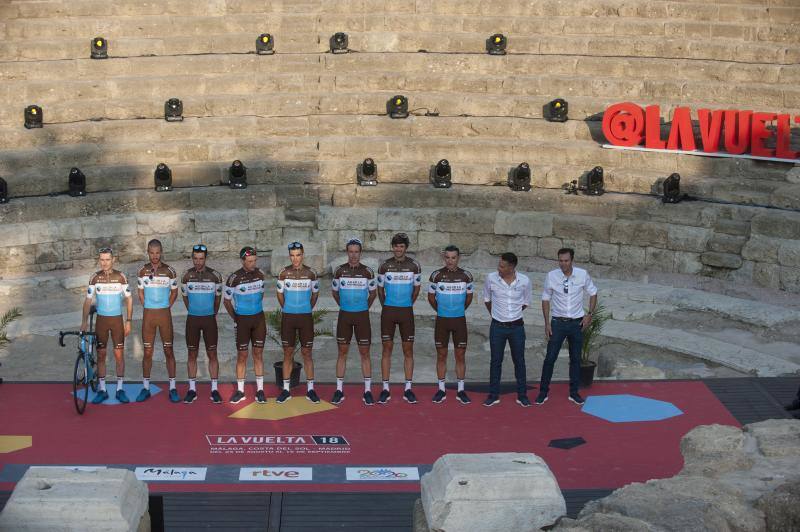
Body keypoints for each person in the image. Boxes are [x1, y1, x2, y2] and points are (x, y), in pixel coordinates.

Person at [537, 247, 598, 406]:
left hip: (576, 323)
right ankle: (543, 392)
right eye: (560, 261)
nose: (563, 264)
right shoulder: (551, 276)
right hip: (558, 323)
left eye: (566, 261)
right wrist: (547, 323)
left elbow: (593, 293)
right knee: (550, 358)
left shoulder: (582, 274)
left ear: (572, 260)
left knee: (576, 359)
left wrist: (589, 314)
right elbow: (545, 298)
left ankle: (574, 392)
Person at [83, 247, 133, 404]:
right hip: (102, 322)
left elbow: (129, 299)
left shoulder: (121, 277)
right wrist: (84, 321)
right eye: (102, 260)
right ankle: (102, 389)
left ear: (113, 260)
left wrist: (129, 321)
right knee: (101, 355)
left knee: (119, 355)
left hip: (117, 320)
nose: (104, 263)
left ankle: (120, 389)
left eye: (107, 259)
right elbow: (88, 300)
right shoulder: (94, 278)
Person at [482, 252, 533, 407]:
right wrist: (497, 314)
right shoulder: (491, 278)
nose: (499, 268)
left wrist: (513, 315)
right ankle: (493, 395)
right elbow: (487, 299)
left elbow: (526, 302)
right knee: (496, 361)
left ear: (512, 267)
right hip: (497, 327)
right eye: (499, 264)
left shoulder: (525, 281)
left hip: (517, 327)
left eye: (502, 266)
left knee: (519, 361)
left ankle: (522, 395)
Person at [331, 238, 377, 405]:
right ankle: (339, 390)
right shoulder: (339, 271)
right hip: (345, 316)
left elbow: (373, 294)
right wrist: (345, 306)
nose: (354, 255)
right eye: (351, 251)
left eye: (356, 252)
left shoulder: (368, 272)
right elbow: (335, 293)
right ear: (347, 252)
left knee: (365, 353)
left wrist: (363, 307)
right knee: (342, 353)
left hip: (362, 317)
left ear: (360, 253)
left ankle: (367, 391)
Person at [377, 233, 422, 404]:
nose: (398, 249)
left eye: (401, 246)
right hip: (388, 311)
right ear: (392, 247)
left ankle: (408, 389)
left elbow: (416, 289)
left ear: (406, 248)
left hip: (406, 312)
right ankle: (385, 389)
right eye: (395, 246)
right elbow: (380, 290)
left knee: (408, 350)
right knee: (386, 349)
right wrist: (386, 306)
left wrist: (407, 304)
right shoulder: (384, 266)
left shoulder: (414, 266)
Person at [427, 245, 474, 404]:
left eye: (453, 258)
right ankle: (441, 389)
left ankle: (461, 390)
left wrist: (458, 310)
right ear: (444, 258)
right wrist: (441, 311)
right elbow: (431, 298)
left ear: (458, 258)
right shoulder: (436, 276)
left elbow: (469, 298)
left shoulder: (466, 276)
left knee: (460, 355)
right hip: (442, 320)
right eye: (447, 257)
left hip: (459, 320)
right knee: (441, 355)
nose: (450, 261)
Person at [275, 242, 321, 404]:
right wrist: (287, 308)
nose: (295, 258)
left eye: (298, 255)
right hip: (288, 317)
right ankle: (286, 390)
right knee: (287, 354)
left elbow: (315, 295)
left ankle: (311, 390)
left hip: (305, 318)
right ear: (289, 256)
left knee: (307, 354)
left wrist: (306, 308)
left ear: (303, 255)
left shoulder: (311, 273)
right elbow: (280, 295)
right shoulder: (283, 273)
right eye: (292, 255)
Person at [136, 239, 179, 403]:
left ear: (161, 252)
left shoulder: (170, 271)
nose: (155, 256)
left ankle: (173, 388)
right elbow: (140, 292)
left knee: (169, 351)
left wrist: (165, 306)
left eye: (157, 252)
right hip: (149, 315)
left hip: (164, 315)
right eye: (151, 253)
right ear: (148, 252)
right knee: (147, 352)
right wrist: (148, 306)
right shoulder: (142, 271)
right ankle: (145, 388)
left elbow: (174, 292)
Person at [223, 246, 267, 404]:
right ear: (242, 261)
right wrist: (236, 317)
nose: (253, 264)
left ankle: (260, 390)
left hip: (258, 319)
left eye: (254, 261)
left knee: (258, 354)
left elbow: (261, 294)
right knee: (242, 356)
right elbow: (226, 301)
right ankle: (240, 391)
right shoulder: (234, 278)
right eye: (249, 261)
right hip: (242, 320)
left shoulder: (260, 274)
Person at [180, 244, 223, 404]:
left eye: (201, 259)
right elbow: (185, 297)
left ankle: (214, 389)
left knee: (212, 354)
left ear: (205, 258)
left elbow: (218, 298)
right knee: (192, 354)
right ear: (192, 258)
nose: (198, 262)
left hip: (209, 319)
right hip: (192, 319)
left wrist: (212, 313)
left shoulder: (215, 276)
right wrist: (193, 310)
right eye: (195, 259)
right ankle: (192, 390)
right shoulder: (186, 276)